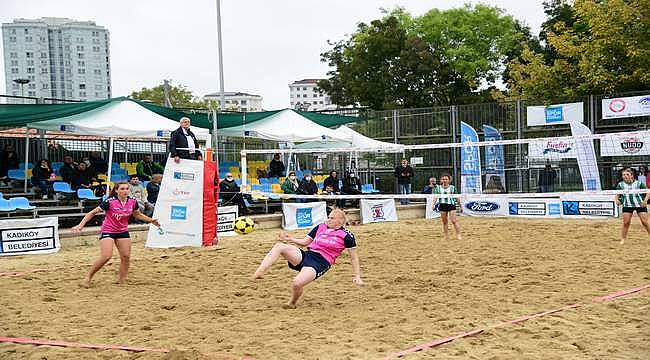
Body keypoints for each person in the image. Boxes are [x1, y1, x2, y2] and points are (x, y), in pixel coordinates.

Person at [252, 208, 363, 308]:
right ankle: (259, 272)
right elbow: (305, 242)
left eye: (332, 218)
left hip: (321, 262)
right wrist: (290, 239)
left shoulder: (347, 236)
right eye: (328, 217)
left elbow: (353, 258)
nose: (328, 219)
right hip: (308, 254)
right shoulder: (321, 227)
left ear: (340, 220)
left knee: (297, 283)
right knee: (279, 246)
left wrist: (357, 276)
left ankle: (292, 302)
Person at [72, 182, 160, 287]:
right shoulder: (110, 201)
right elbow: (92, 213)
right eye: (122, 189)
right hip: (108, 231)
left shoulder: (132, 201)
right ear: (117, 190)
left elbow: (137, 214)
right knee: (106, 256)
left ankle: (122, 280)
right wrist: (81, 225)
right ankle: (88, 277)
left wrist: (151, 221)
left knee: (126, 256)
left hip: (122, 231)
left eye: (127, 189)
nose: (125, 191)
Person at [615, 168, 650, 245]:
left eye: (627, 174)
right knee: (626, 222)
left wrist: (645, 201)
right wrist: (616, 199)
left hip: (639, 204)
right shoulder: (620, 184)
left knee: (644, 222)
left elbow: (648, 192)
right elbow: (617, 193)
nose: (625, 176)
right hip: (627, 205)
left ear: (632, 175)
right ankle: (623, 239)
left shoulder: (639, 183)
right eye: (623, 175)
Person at [432, 174, 462, 241]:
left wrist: (460, 205)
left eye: (446, 179)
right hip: (442, 205)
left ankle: (458, 235)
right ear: (441, 180)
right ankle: (446, 236)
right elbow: (436, 197)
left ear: (449, 180)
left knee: (454, 221)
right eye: (443, 179)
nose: (444, 180)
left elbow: (457, 197)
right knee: (444, 222)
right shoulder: (438, 188)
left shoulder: (453, 188)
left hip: (451, 205)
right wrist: (433, 204)